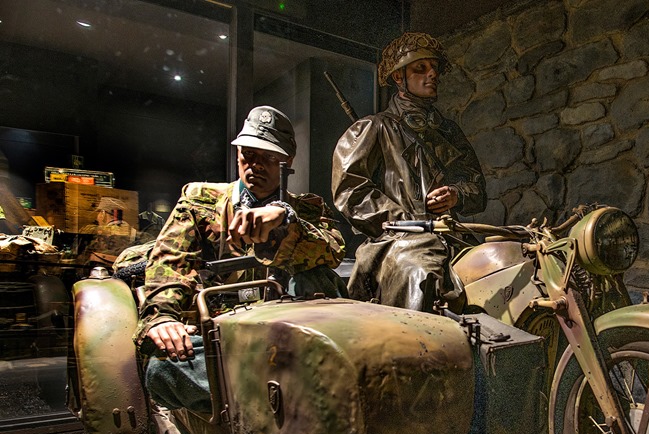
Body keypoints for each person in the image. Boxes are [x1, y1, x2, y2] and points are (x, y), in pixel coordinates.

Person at [134, 105, 346, 412]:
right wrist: (162, 318)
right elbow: (170, 263)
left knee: (320, 279)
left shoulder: (307, 210)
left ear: (288, 162)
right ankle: (287, 389)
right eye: (248, 154)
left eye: (268, 158)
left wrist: (285, 222)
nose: (254, 166)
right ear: (237, 155)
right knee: (164, 370)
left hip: (290, 334)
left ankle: (272, 388)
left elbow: (332, 250)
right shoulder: (199, 201)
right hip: (227, 337)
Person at [331, 31, 486, 313]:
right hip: (396, 242)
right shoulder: (373, 128)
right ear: (398, 78)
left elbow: (476, 188)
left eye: (435, 68)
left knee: (503, 264)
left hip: (454, 236)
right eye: (420, 68)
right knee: (421, 273)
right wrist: (406, 220)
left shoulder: (449, 133)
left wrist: (456, 195)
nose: (432, 74)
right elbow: (350, 191)